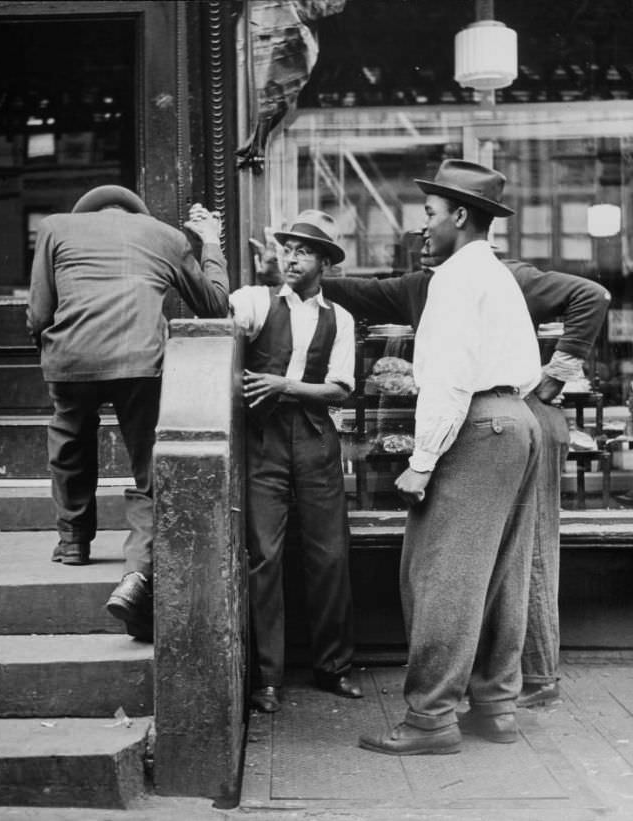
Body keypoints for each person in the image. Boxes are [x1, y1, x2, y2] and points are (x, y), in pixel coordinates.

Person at [321, 233, 610, 712]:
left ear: (461, 229)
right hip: (503, 419)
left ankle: (529, 679)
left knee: (511, 556)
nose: (423, 251)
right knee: (505, 559)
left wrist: (555, 374)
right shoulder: (439, 281)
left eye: (430, 234)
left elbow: (592, 295)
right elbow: (371, 292)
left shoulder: (502, 276)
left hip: (508, 415)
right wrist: (320, 281)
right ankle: (499, 691)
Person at [341, 158, 543, 755]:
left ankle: (430, 719)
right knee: (502, 572)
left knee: (441, 575)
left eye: (429, 214)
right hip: (518, 420)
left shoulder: (455, 278)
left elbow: (450, 379)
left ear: (459, 215)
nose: (422, 227)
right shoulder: (496, 273)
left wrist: (423, 459)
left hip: (476, 426)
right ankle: (495, 705)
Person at [27, 185, 229, 641]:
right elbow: (216, 305)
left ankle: (73, 542)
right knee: (147, 467)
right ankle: (137, 571)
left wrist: (47, 342)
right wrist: (210, 242)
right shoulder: (164, 235)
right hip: (141, 362)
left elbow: (39, 311)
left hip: (71, 358)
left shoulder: (56, 227)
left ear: (90, 212)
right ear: (135, 213)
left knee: (69, 443)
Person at [215, 206, 362, 713]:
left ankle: (334, 666)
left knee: (329, 554)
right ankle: (267, 677)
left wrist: (285, 386)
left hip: (317, 439)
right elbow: (220, 318)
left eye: (303, 251)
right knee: (264, 556)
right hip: (265, 441)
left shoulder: (338, 318)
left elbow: (340, 390)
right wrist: (210, 250)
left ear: (324, 261)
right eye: (287, 248)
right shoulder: (255, 301)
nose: (292, 257)